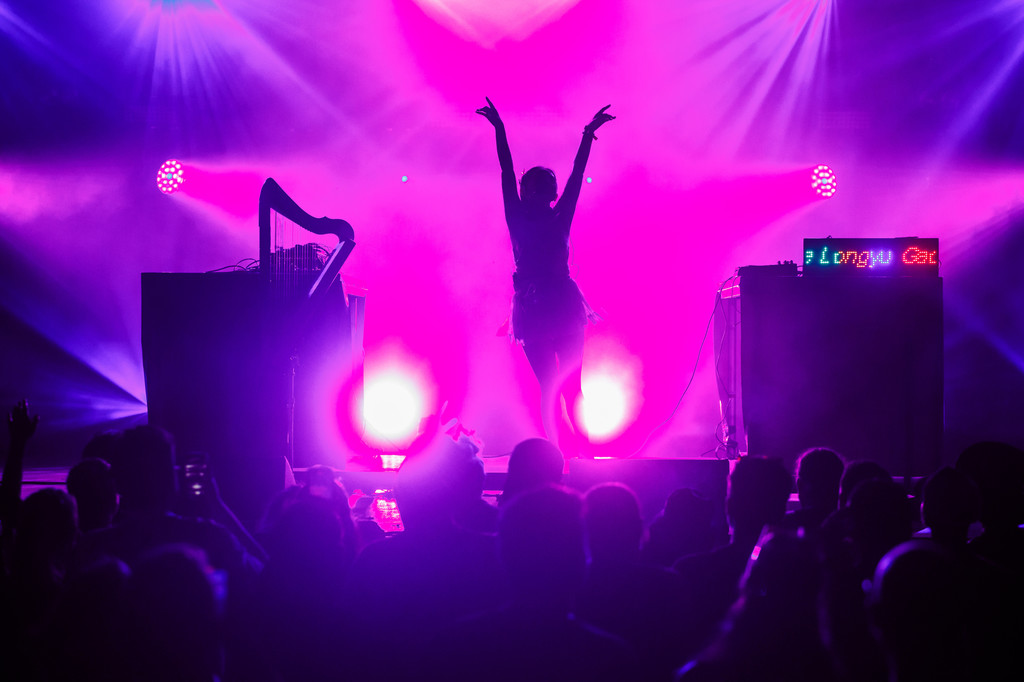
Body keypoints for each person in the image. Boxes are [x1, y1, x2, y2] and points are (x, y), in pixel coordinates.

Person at [476, 97, 614, 455]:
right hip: (543, 307)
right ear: (543, 192)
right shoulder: (535, 215)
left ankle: (575, 452)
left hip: (549, 306)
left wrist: (587, 135)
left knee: (561, 387)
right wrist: (586, 135)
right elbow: (513, 174)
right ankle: (570, 452)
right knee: (560, 387)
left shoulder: (537, 215)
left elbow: (517, 174)